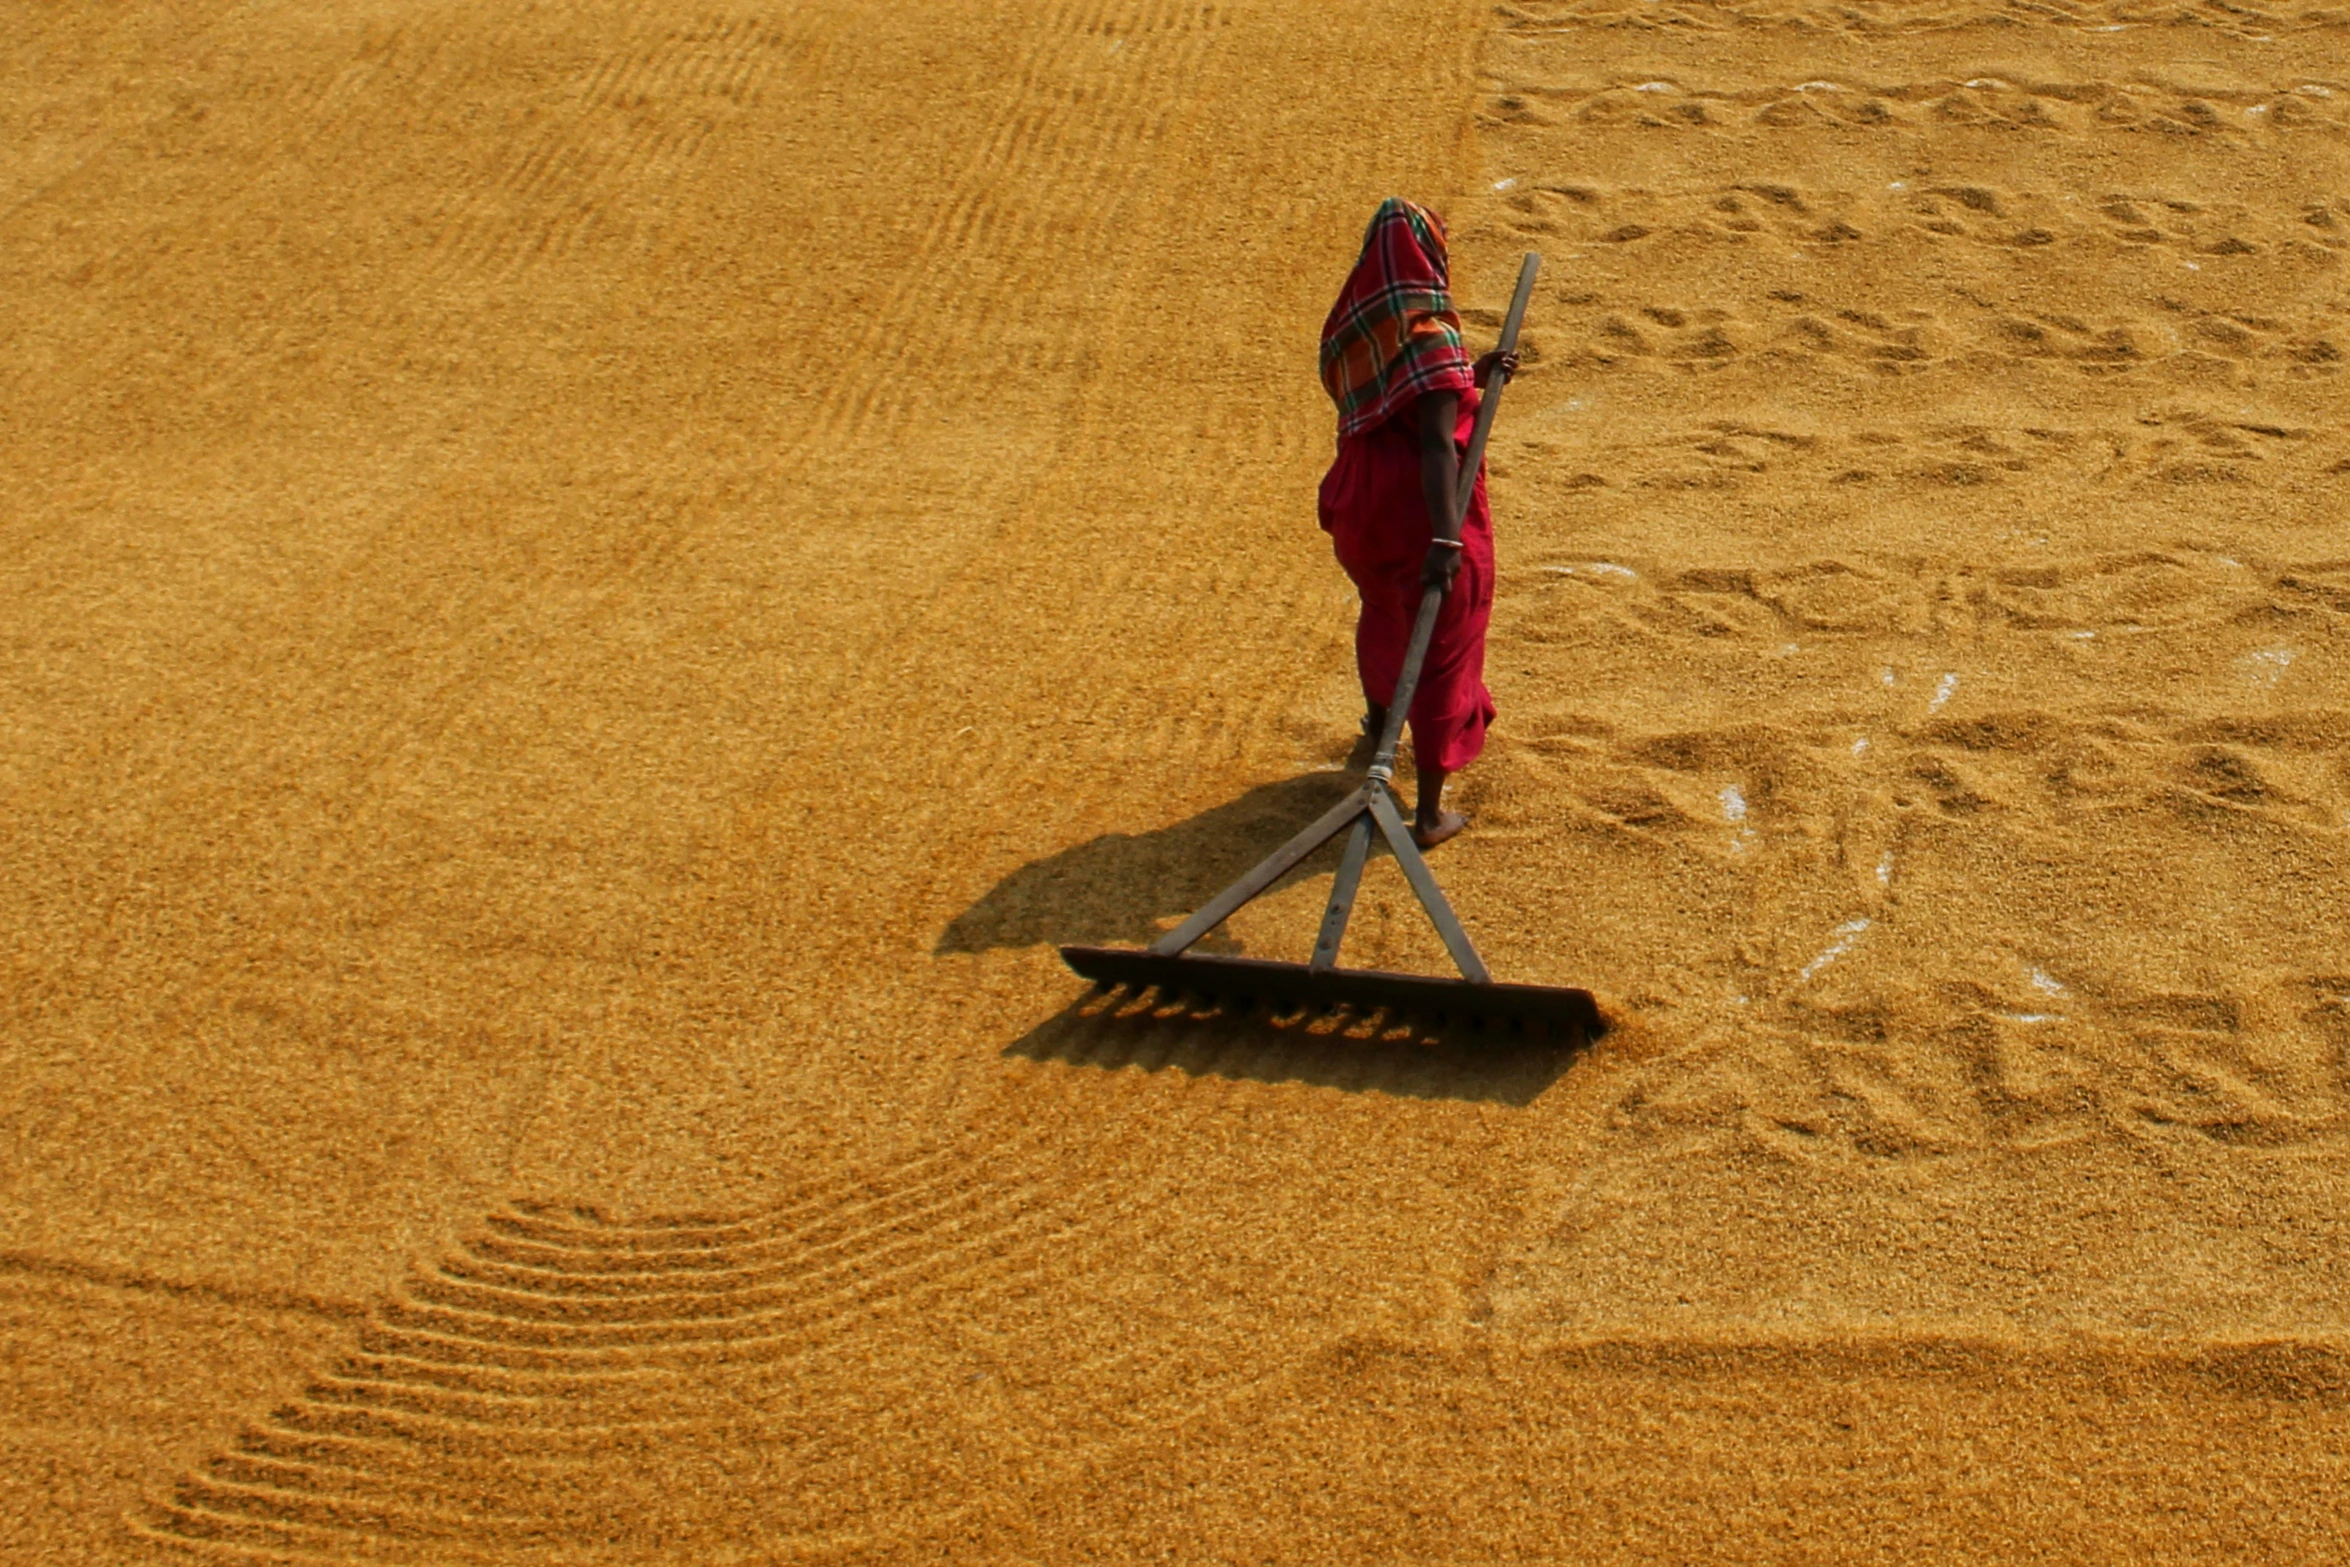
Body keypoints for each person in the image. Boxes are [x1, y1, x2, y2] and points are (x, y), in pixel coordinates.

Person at [1316, 197, 1516, 849]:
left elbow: (1410, 397)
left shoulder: (1356, 323)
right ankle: (1428, 814)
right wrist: (1445, 537)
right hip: (1415, 512)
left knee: (1383, 615)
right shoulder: (1430, 332)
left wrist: (1473, 377)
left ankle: (1378, 726)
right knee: (1444, 645)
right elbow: (1433, 440)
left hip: (1360, 509)